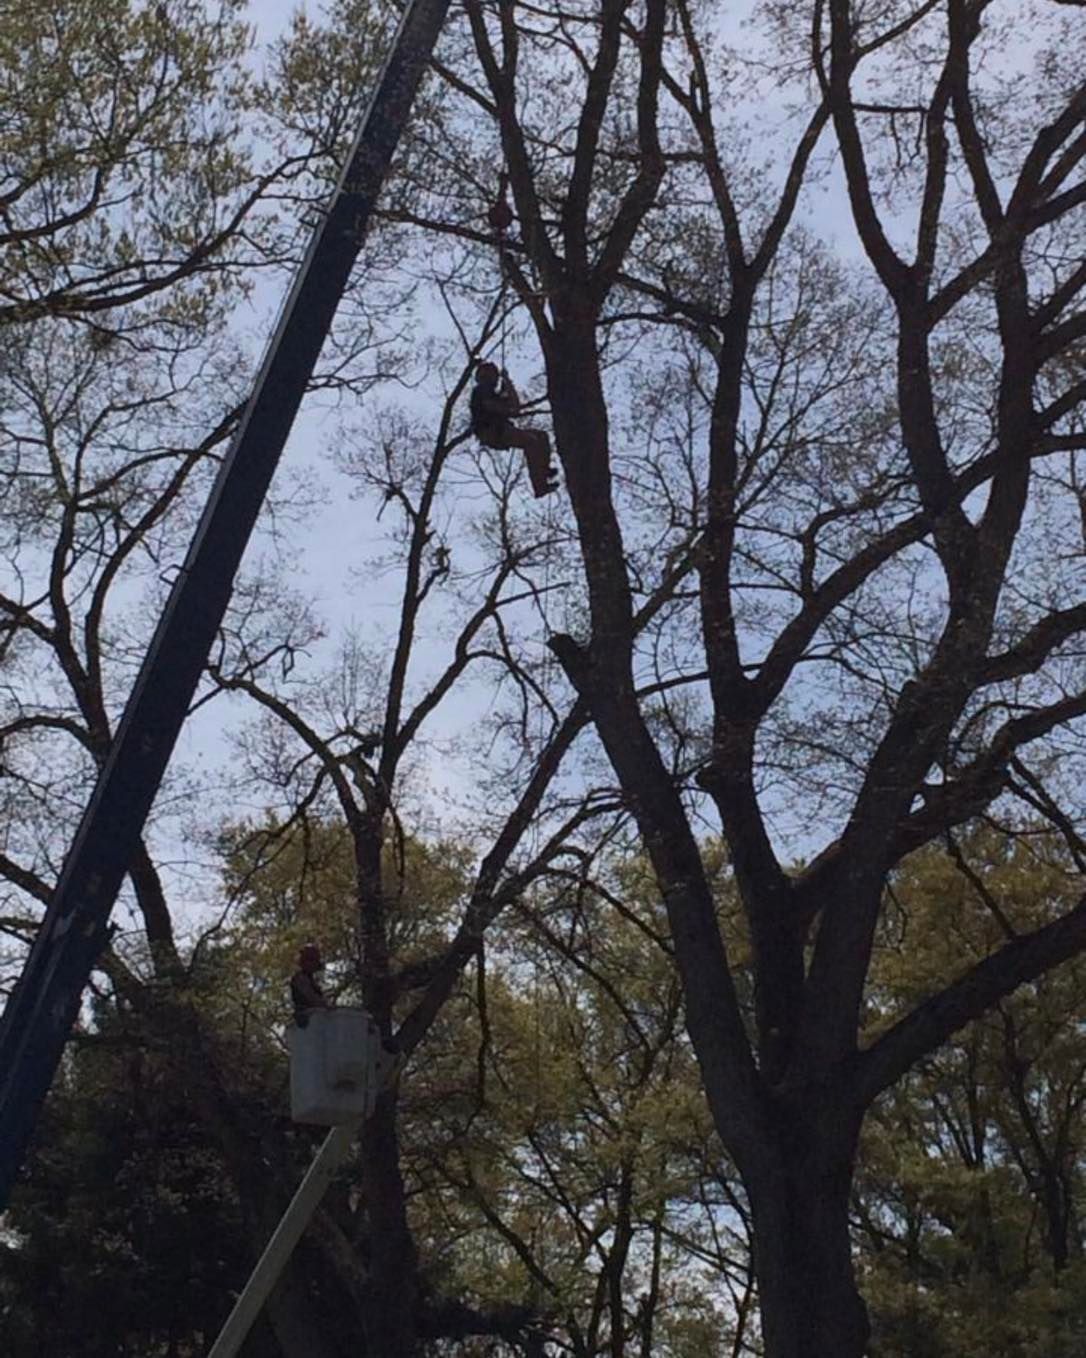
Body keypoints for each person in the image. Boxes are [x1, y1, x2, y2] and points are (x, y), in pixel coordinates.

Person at [469, 361, 558, 498]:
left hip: (499, 430)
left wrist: (508, 384)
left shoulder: (494, 394)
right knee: (531, 442)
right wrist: (504, 403)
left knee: (541, 436)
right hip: (491, 431)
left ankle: (543, 470)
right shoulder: (481, 391)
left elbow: (516, 407)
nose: (494, 378)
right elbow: (493, 406)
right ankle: (539, 486)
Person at [290, 942, 330, 1027]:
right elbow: (312, 998)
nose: (312, 963)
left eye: (314, 960)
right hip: (306, 1022)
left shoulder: (313, 981)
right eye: (309, 959)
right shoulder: (300, 978)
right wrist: (325, 1006)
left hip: (318, 1022)